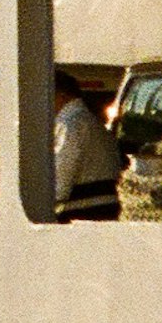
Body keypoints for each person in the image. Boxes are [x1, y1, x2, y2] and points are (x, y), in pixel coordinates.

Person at [49, 70, 120, 220]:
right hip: (103, 208)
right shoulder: (88, 120)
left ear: (61, 95)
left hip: (83, 213)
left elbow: (60, 183)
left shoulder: (70, 125)